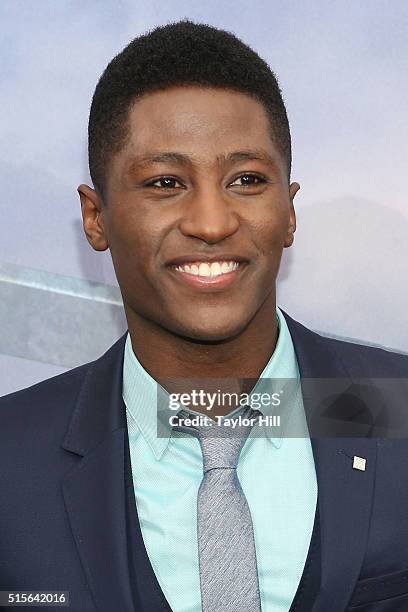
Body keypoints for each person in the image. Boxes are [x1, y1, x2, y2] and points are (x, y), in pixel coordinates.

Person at [1, 18, 407, 612]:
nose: (212, 223)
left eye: (247, 180)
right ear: (96, 217)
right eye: (166, 182)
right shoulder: (10, 457)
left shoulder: (396, 408)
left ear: (289, 210)